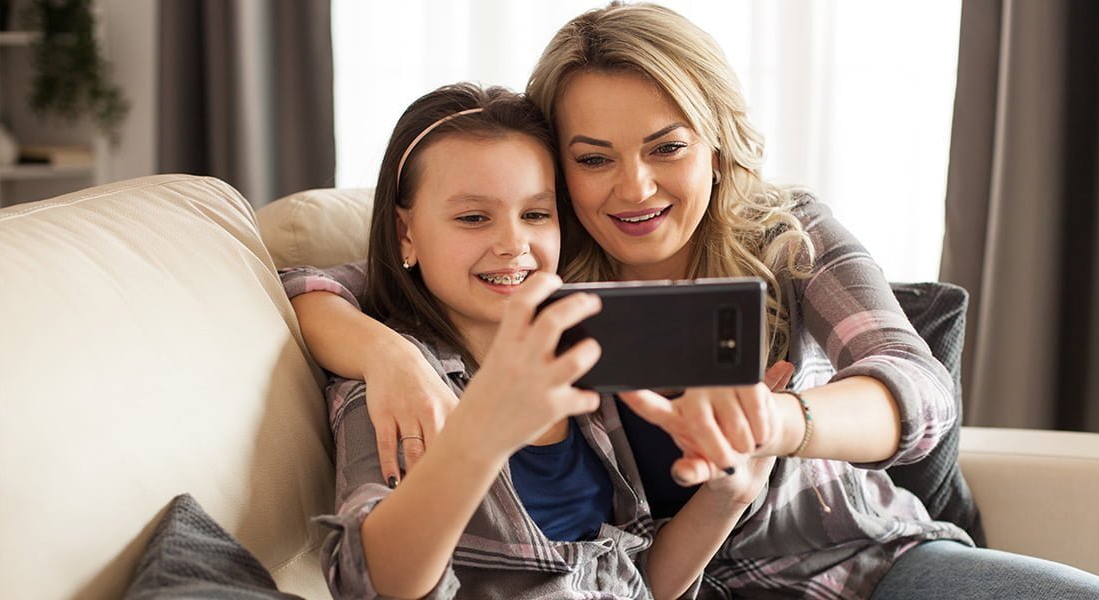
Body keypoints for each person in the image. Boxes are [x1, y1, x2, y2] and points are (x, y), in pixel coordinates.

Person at [287, 3, 1099, 598]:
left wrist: (781, 425)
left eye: (667, 148)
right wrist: (386, 354)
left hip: (848, 561)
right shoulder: (540, 267)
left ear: (717, 142)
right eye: (592, 159)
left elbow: (915, 388)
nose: (635, 188)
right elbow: (333, 284)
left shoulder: (786, 233)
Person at [298, 82, 792, 599]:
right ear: (406, 235)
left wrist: (730, 493)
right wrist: (481, 431)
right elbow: (370, 582)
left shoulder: (581, 365)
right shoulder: (396, 390)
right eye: (473, 217)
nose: (514, 244)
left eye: (536, 214)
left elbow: (639, 584)